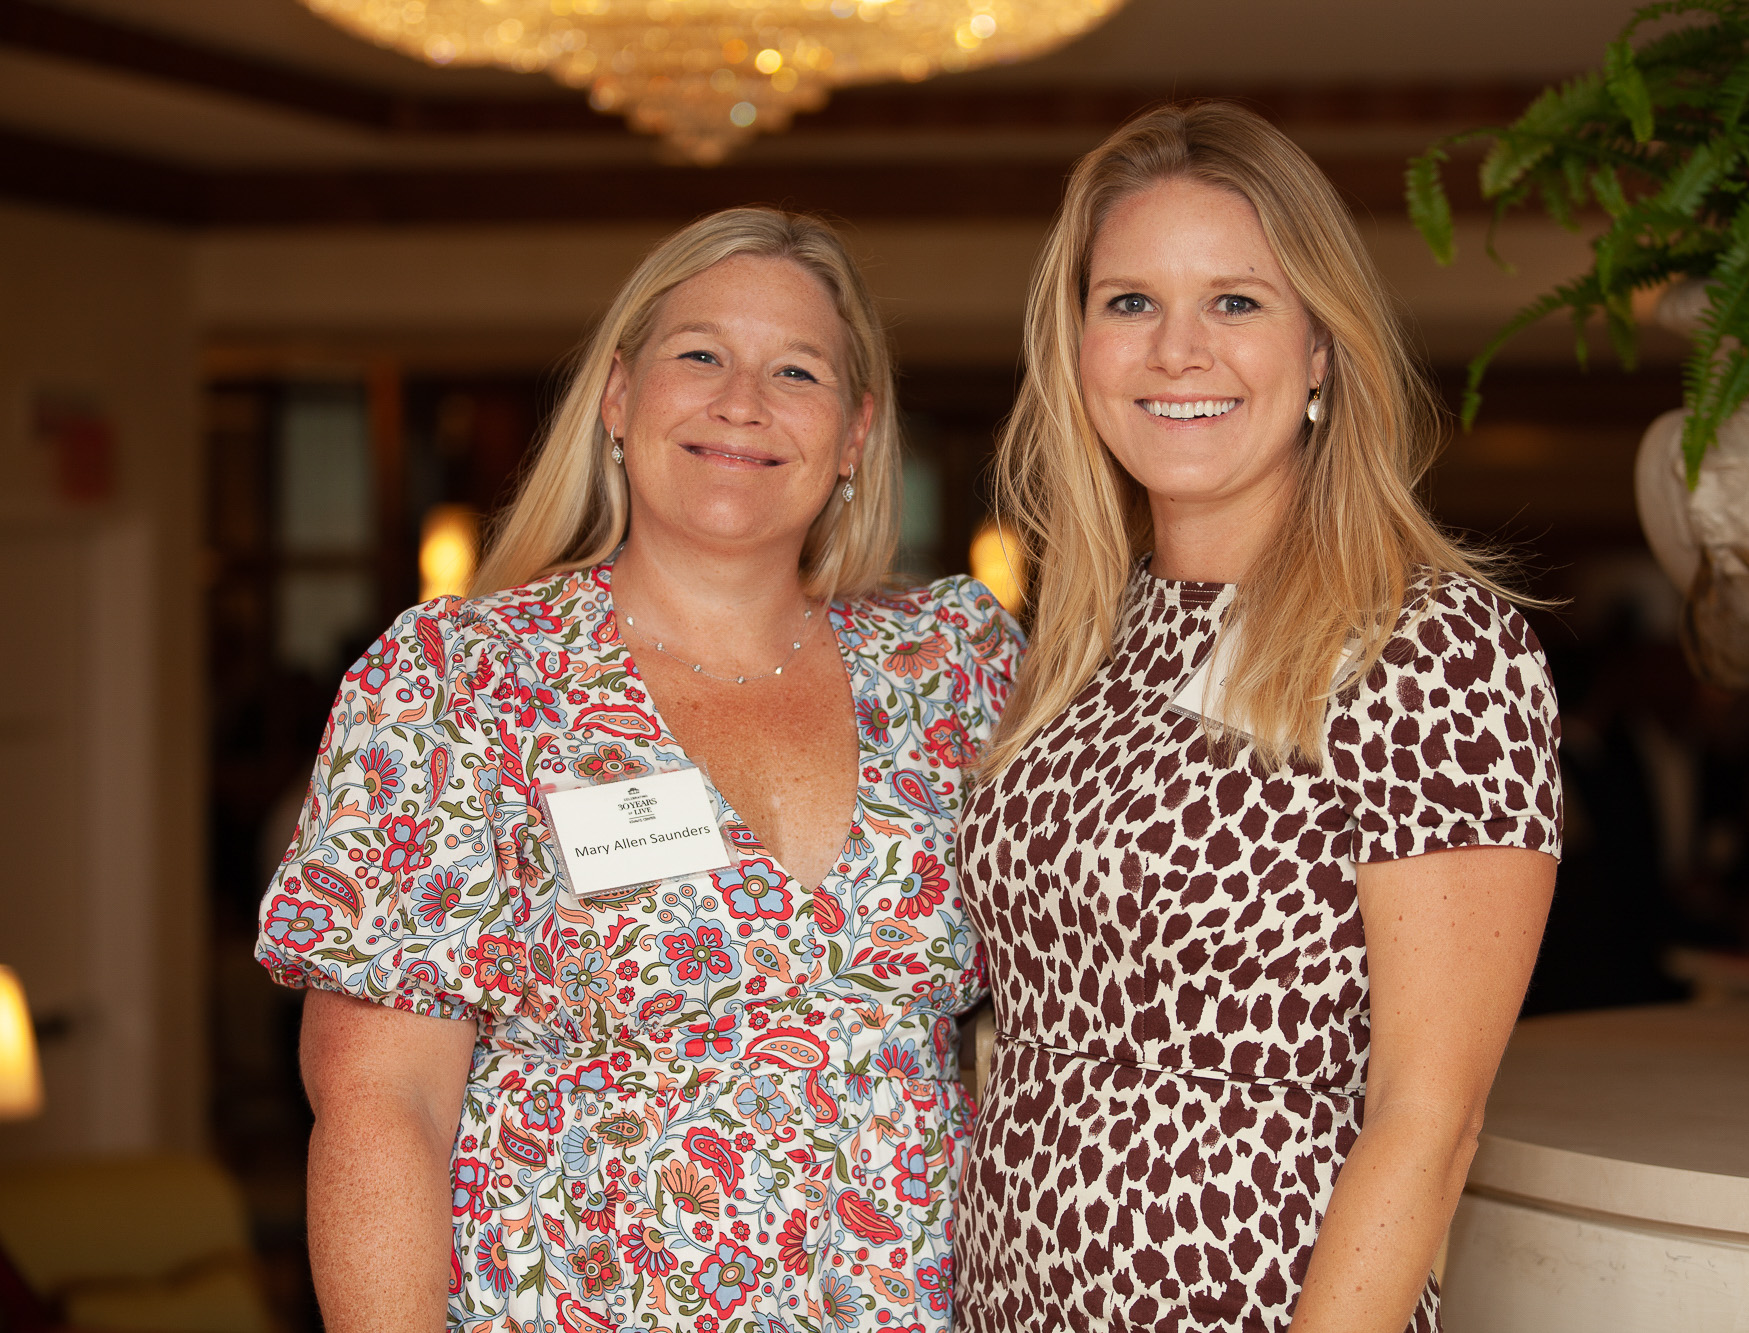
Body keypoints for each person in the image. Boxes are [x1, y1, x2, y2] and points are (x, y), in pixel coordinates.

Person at [255, 207, 1020, 1333]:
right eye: (700, 355)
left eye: (796, 371)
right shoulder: (462, 683)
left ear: (856, 432)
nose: (742, 401)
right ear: (617, 396)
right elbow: (383, 1104)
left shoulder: (955, 667)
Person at [955, 104, 1562, 1333]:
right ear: (1076, 345)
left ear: (1320, 348)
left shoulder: (1429, 648)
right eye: (1130, 302)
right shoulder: (1083, 640)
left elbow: (1429, 1117)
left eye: (1234, 302)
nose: (1177, 351)